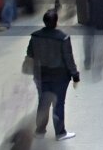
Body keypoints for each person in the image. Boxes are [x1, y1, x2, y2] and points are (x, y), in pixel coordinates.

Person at [27, 9, 80, 141]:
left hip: (41, 75)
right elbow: (69, 59)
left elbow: (30, 54)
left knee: (43, 102)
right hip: (59, 76)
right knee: (59, 103)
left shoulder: (35, 36)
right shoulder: (63, 38)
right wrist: (75, 75)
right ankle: (60, 132)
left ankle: (39, 130)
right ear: (56, 22)